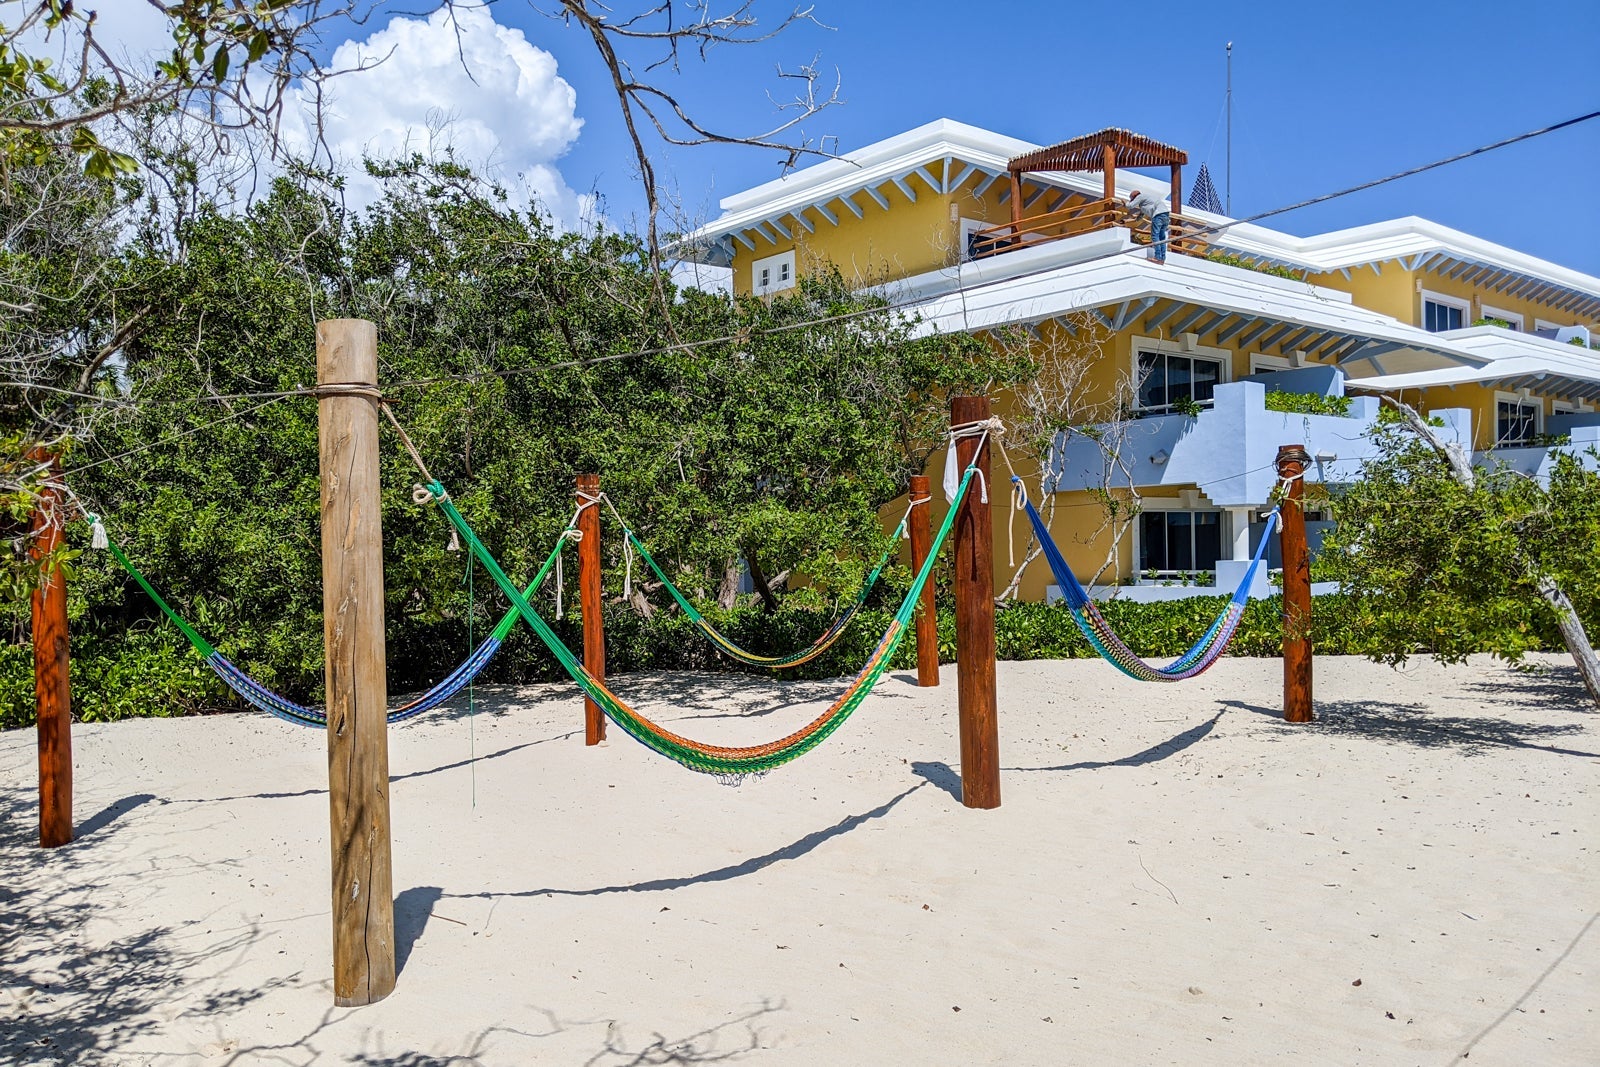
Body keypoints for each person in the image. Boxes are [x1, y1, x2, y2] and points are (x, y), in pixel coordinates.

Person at [1126, 189, 1171, 264]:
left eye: (1132, 199)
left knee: (1155, 236)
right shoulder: (1146, 199)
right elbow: (1143, 211)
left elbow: (1130, 206)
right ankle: (1162, 258)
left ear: (1134, 197)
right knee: (1162, 237)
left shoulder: (1140, 196)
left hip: (1158, 215)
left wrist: (1127, 203)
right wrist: (1137, 218)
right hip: (1165, 215)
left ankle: (1157, 258)